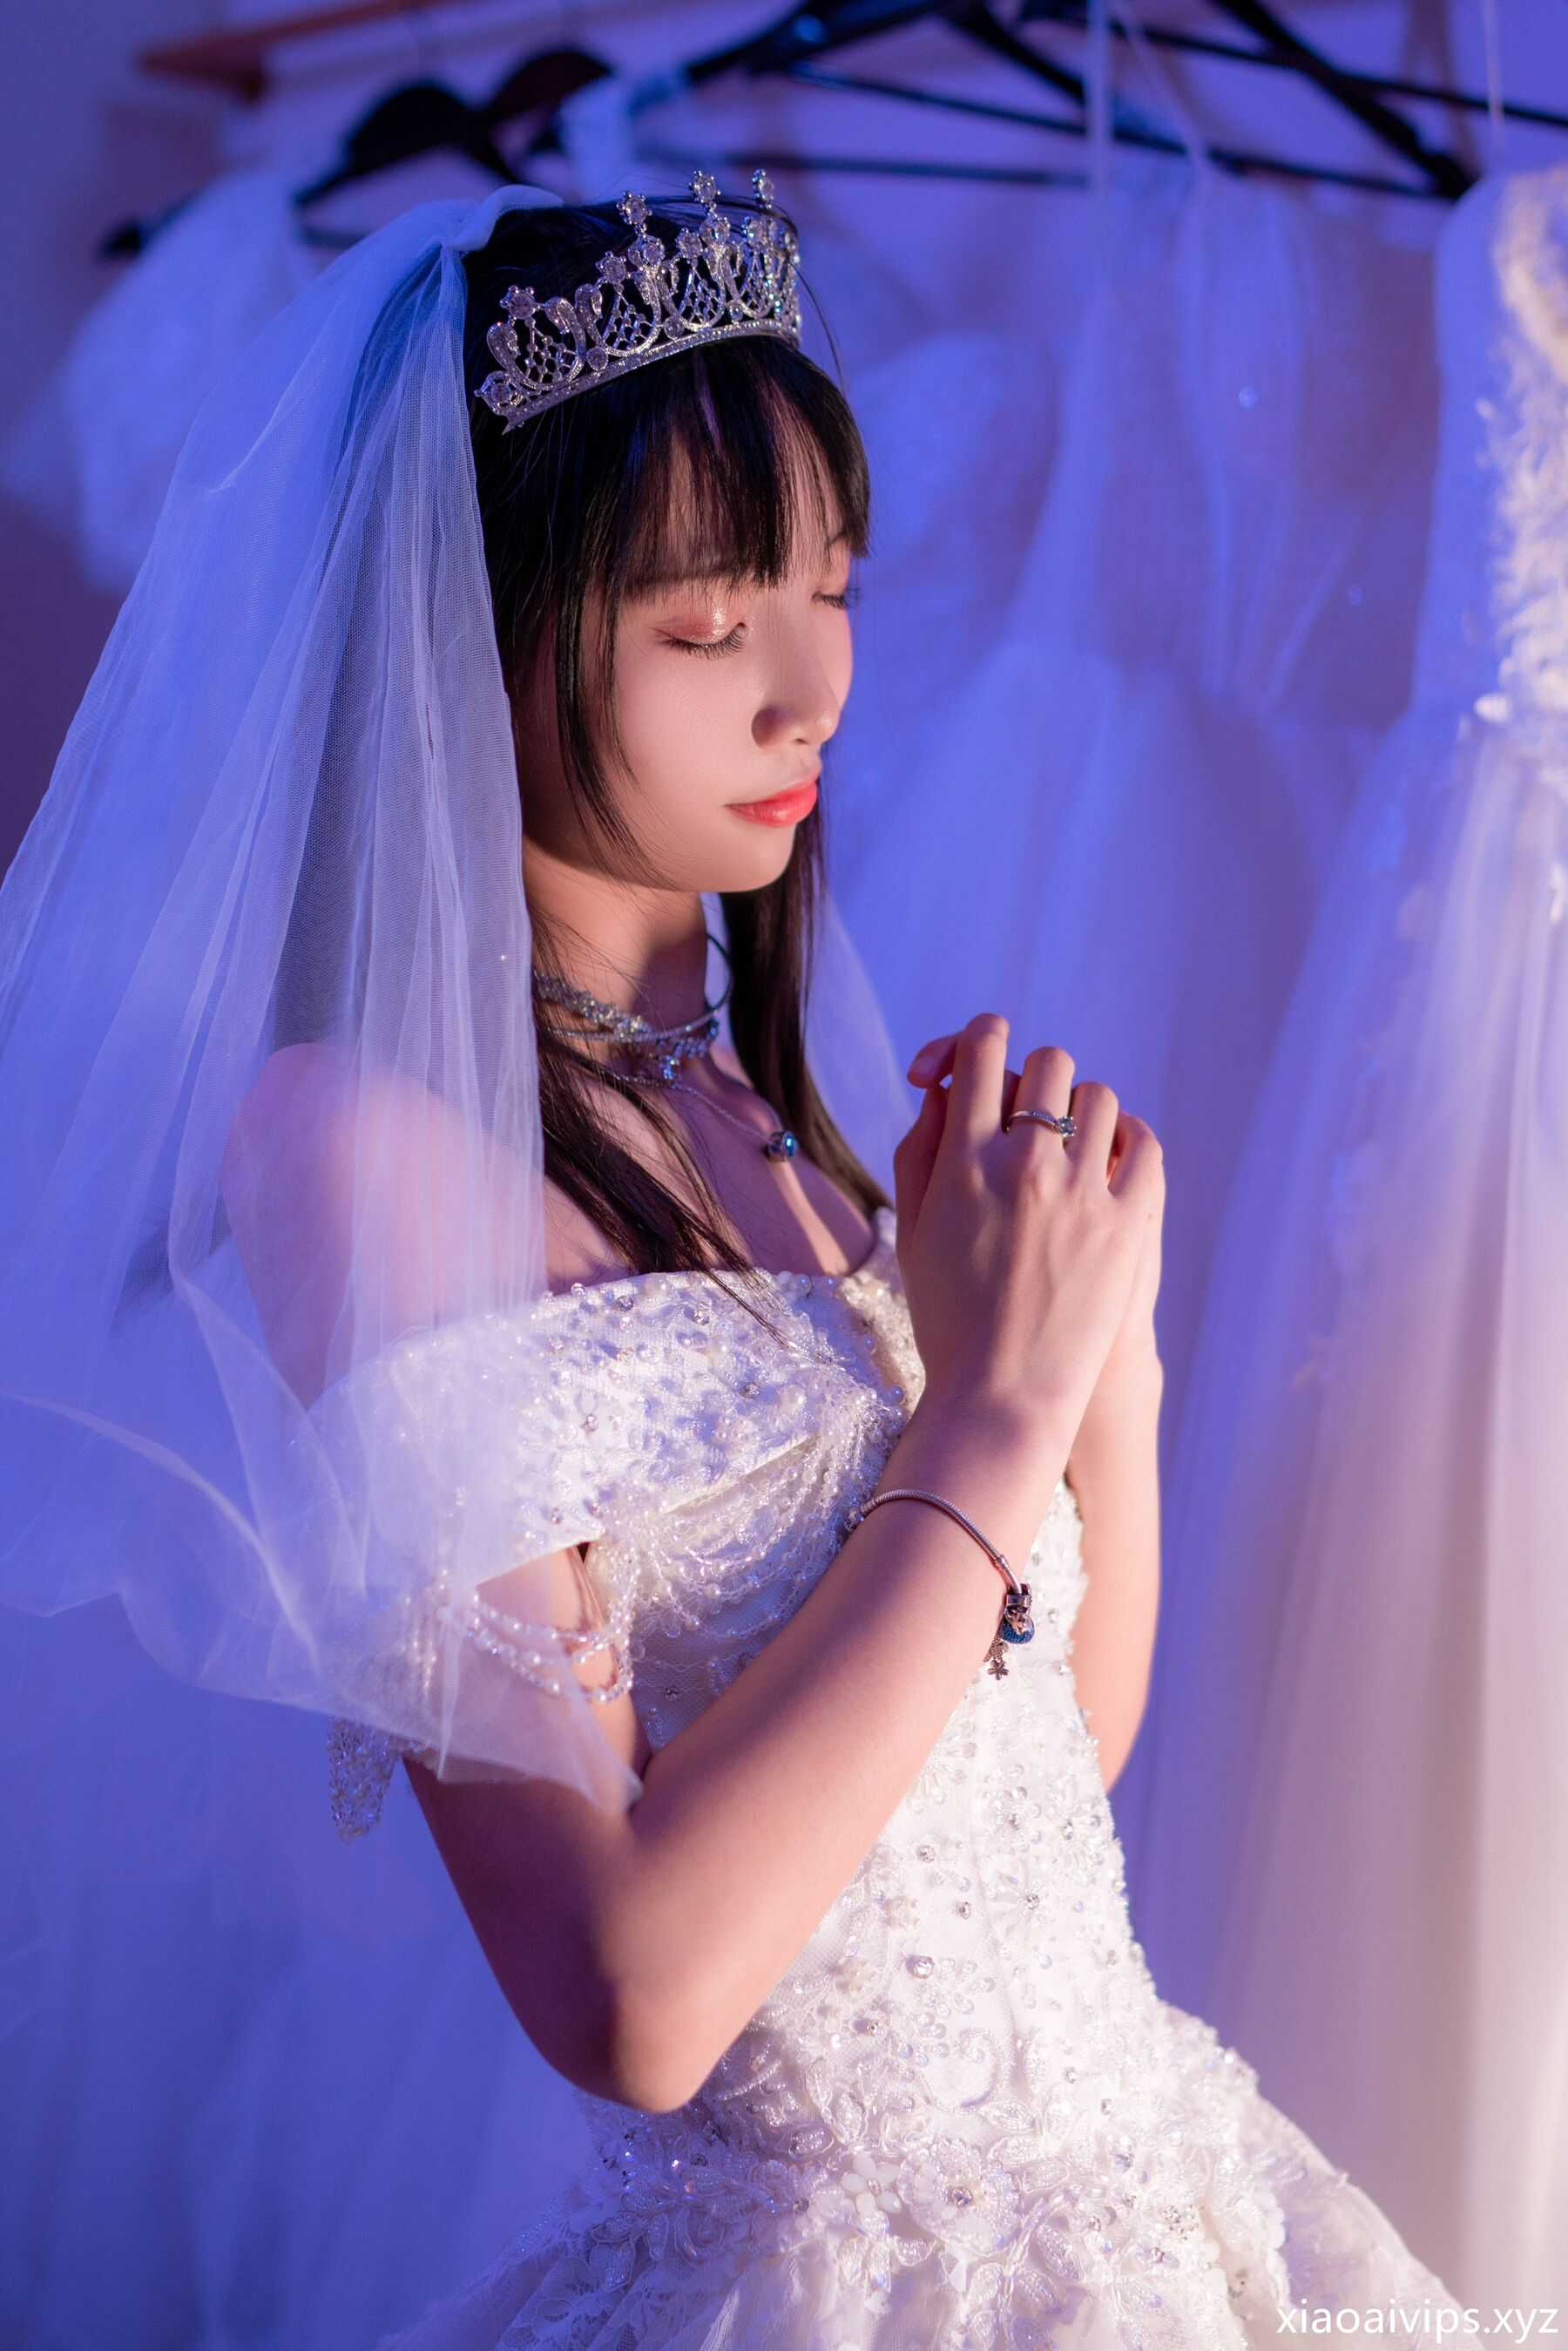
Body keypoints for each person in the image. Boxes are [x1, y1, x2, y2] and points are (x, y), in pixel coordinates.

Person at [0, 171, 1466, 2345]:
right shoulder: (360, 1147)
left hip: (1158, 2198)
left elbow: (1029, 1771)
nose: (811, 689)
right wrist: (985, 1416)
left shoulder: (748, 1091)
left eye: (833, 587)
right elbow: (636, 1995)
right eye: (705, 627)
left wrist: (1103, 1371)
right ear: (469, 636)